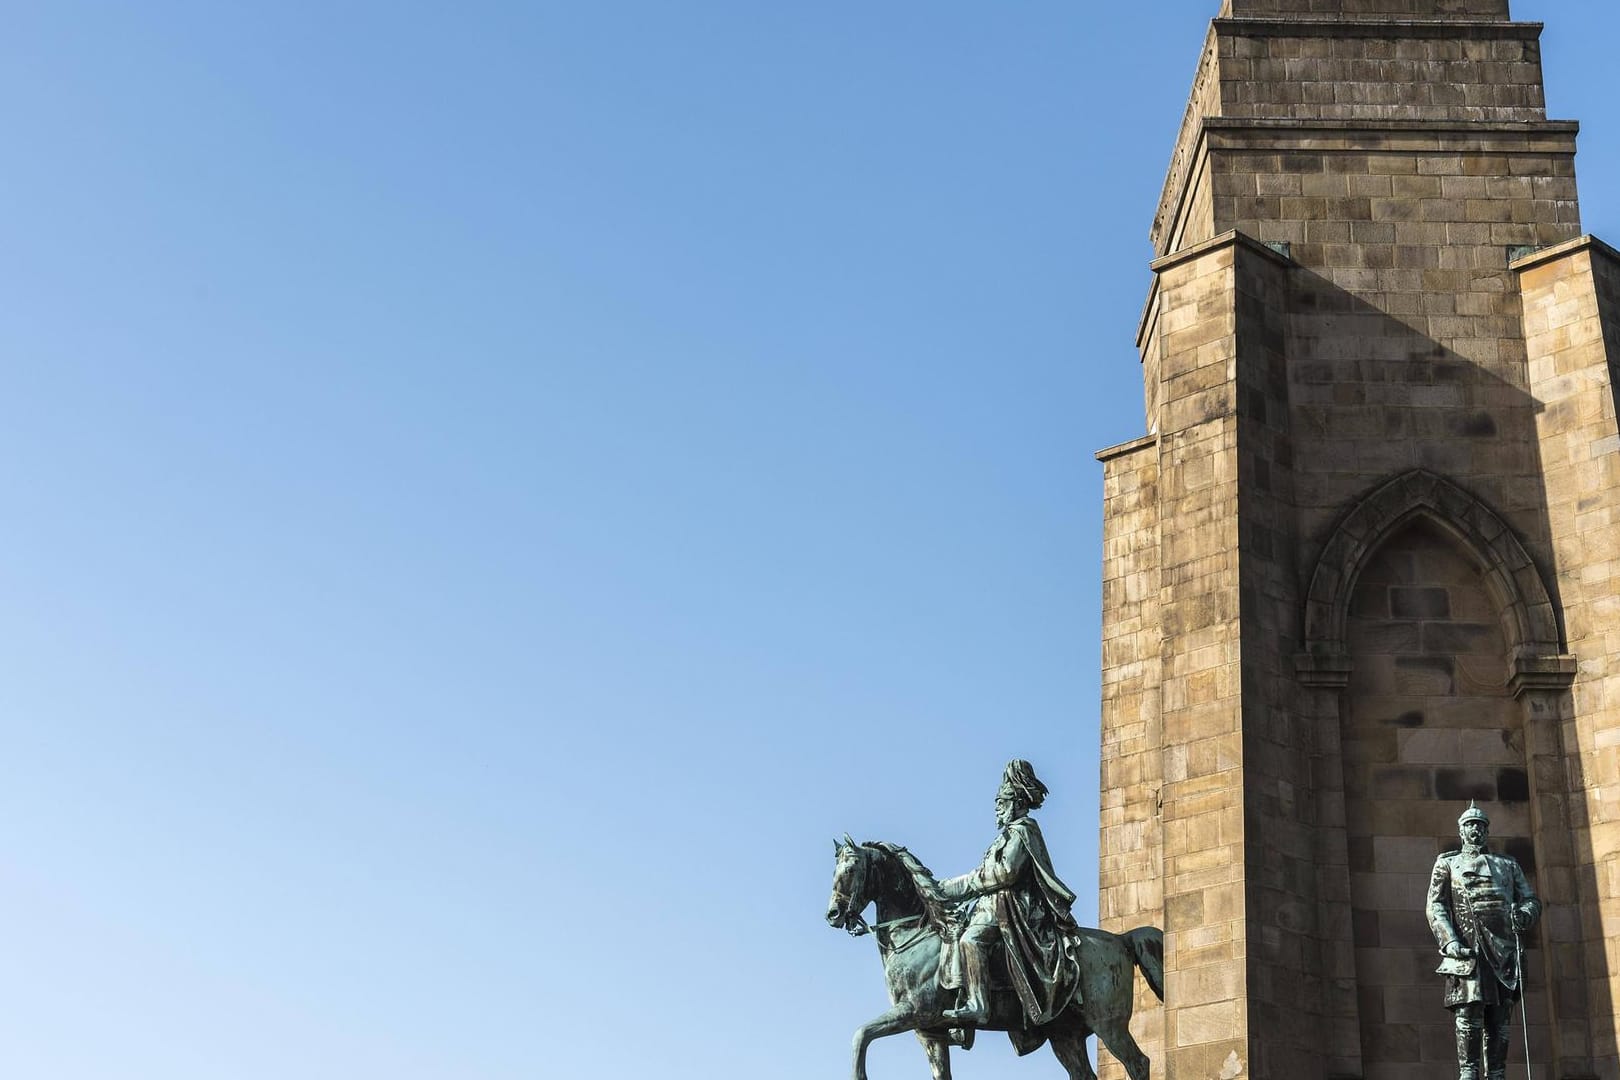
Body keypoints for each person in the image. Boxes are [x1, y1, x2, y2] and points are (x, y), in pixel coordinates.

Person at [938, 759, 1081, 1028]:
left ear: (1015, 804)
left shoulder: (1023, 831)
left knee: (972, 940)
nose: (996, 809)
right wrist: (944, 890)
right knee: (953, 931)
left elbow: (1005, 873)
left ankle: (978, 1005)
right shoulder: (1006, 836)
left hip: (1015, 908)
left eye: (1001, 804)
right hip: (993, 905)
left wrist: (959, 886)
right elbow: (980, 874)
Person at [1426, 801, 1541, 1080]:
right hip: (1468, 951)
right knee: (1469, 1016)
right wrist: (1450, 942)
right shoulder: (1447, 864)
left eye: (1480, 825)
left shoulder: (1507, 865)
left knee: (1499, 1021)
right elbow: (1435, 906)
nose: (1475, 830)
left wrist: (1524, 915)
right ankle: (1469, 1072)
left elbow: (1530, 900)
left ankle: (1497, 1074)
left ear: (1486, 831)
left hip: (1503, 952)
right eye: (1469, 825)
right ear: (1461, 831)